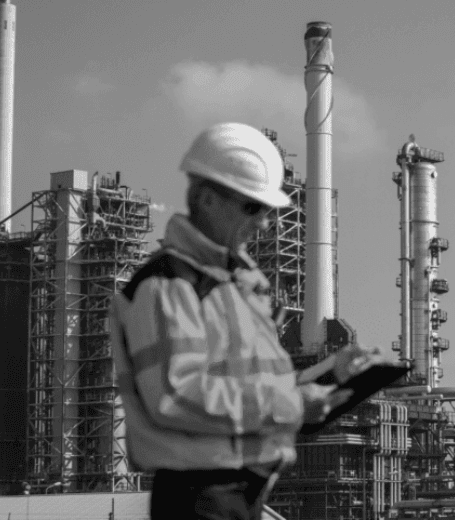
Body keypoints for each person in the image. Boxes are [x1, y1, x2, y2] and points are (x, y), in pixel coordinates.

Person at [110, 122, 368, 520]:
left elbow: (257, 391)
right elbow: (175, 396)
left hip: (242, 496)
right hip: (198, 497)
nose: (264, 223)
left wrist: (332, 375)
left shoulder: (238, 288)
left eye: (267, 210)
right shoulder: (169, 284)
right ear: (208, 199)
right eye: (252, 207)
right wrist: (292, 404)